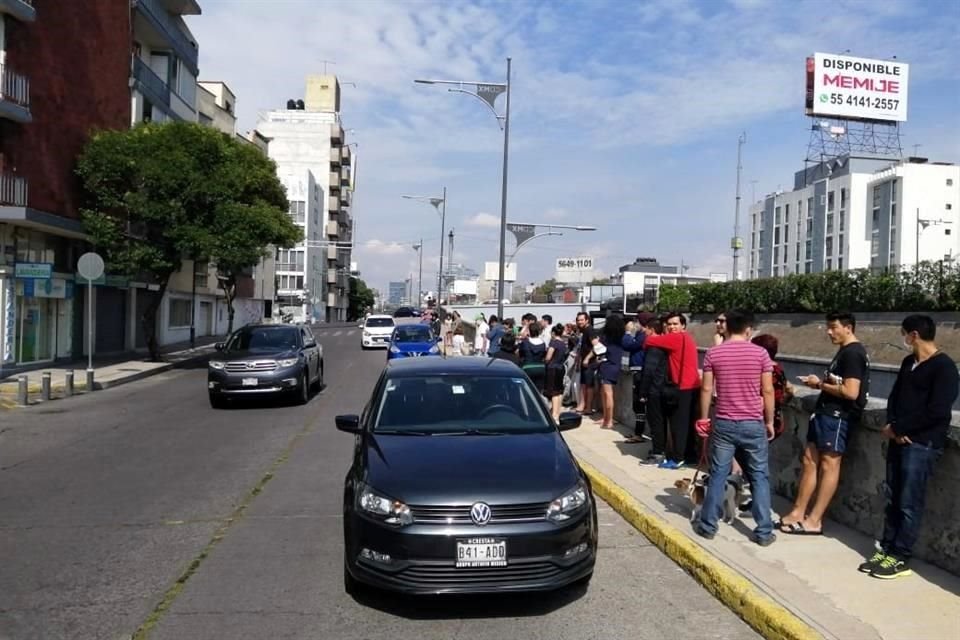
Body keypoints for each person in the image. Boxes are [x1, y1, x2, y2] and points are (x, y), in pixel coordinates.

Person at [860, 315, 958, 579]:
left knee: (908, 502)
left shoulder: (944, 367)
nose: (902, 338)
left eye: (903, 333)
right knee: (893, 497)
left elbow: (938, 411)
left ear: (914, 335)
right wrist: (894, 425)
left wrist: (903, 429)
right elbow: (895, 398)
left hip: (922, 444)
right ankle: (887, 547)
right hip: (899, 439)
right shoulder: (908, 362)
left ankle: (901, 556)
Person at [780, 311, 869, 536]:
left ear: (848, 328)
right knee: (809, 460)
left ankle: (814, 520)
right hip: (825, 413)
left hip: (838, 416)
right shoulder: (845, 351)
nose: (829, 332)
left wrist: (819, 385)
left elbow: (851, 391)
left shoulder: (854, 354)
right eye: (828, 327)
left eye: (833, 327)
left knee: (829, 464)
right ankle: (799, 511)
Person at [694, 309, 777, 546]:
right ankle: (764, 531)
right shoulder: (761, 354)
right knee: (759, 476)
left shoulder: (714, 353)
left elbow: (706, 389)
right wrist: (769, 421)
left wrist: (703, 418)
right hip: (753, 423)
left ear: (727, 327)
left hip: (724, 422)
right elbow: (768, 390)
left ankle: (708, 526)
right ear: (748, 329)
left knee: (718, 474)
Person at [643, 312, 701, 469]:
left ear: (683, 326)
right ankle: (690, 456)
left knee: (678, 425)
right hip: (692, 385)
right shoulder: (687, 338)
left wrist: (659, 334)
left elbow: (649, 340)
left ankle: (678, 458)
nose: (671, 327)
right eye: (669, 324)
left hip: (682, 387)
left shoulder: (676, 338)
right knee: (688, 424)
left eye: (675, 324)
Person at [623, 312, 656, 443]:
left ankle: (640, 433)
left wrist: (627, 332)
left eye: (636, 321)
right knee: (638, 405)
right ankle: (638, 432)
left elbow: (627, 345)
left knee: (640, 404)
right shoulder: (641, 335)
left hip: (641, 372)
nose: (634, 323)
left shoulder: (643, 336)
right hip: (638, 371)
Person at [598, 314, 626, 429]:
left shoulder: (606, 338)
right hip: (616, 365)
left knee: (607, 394)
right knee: (607, 394)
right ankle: (607, 418)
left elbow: (599, 349)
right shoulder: (622, 337)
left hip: (607, 365)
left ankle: (608, 420)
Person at [574, 312, 600, 416]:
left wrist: (587, 358)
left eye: (581, 320)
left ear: (587, 320)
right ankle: (583, 405)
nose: (579, 322)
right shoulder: (584, 331)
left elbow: (596, 346)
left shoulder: (590, 330)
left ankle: (588, 408)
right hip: (584, 362)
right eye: (578, 320)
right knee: (584, 384)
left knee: (589, 385)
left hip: (590, 363)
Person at [545, 323, 569, 419]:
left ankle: (554, 414)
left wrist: (545, 361)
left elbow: (548, 357)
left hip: (553, 368)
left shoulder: (554, 342)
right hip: (561, 367)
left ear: (553, 333)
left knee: (554, 392)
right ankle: (557, 411)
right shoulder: (563, 344)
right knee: (559, 391)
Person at [519, 322, 548, 392]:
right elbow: (544, 356)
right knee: (538, 392)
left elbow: (521, 354)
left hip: (527, 367)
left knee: (526, 391)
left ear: (529, 331)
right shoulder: (543, 343)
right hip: (540, 368)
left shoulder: (525, 342)